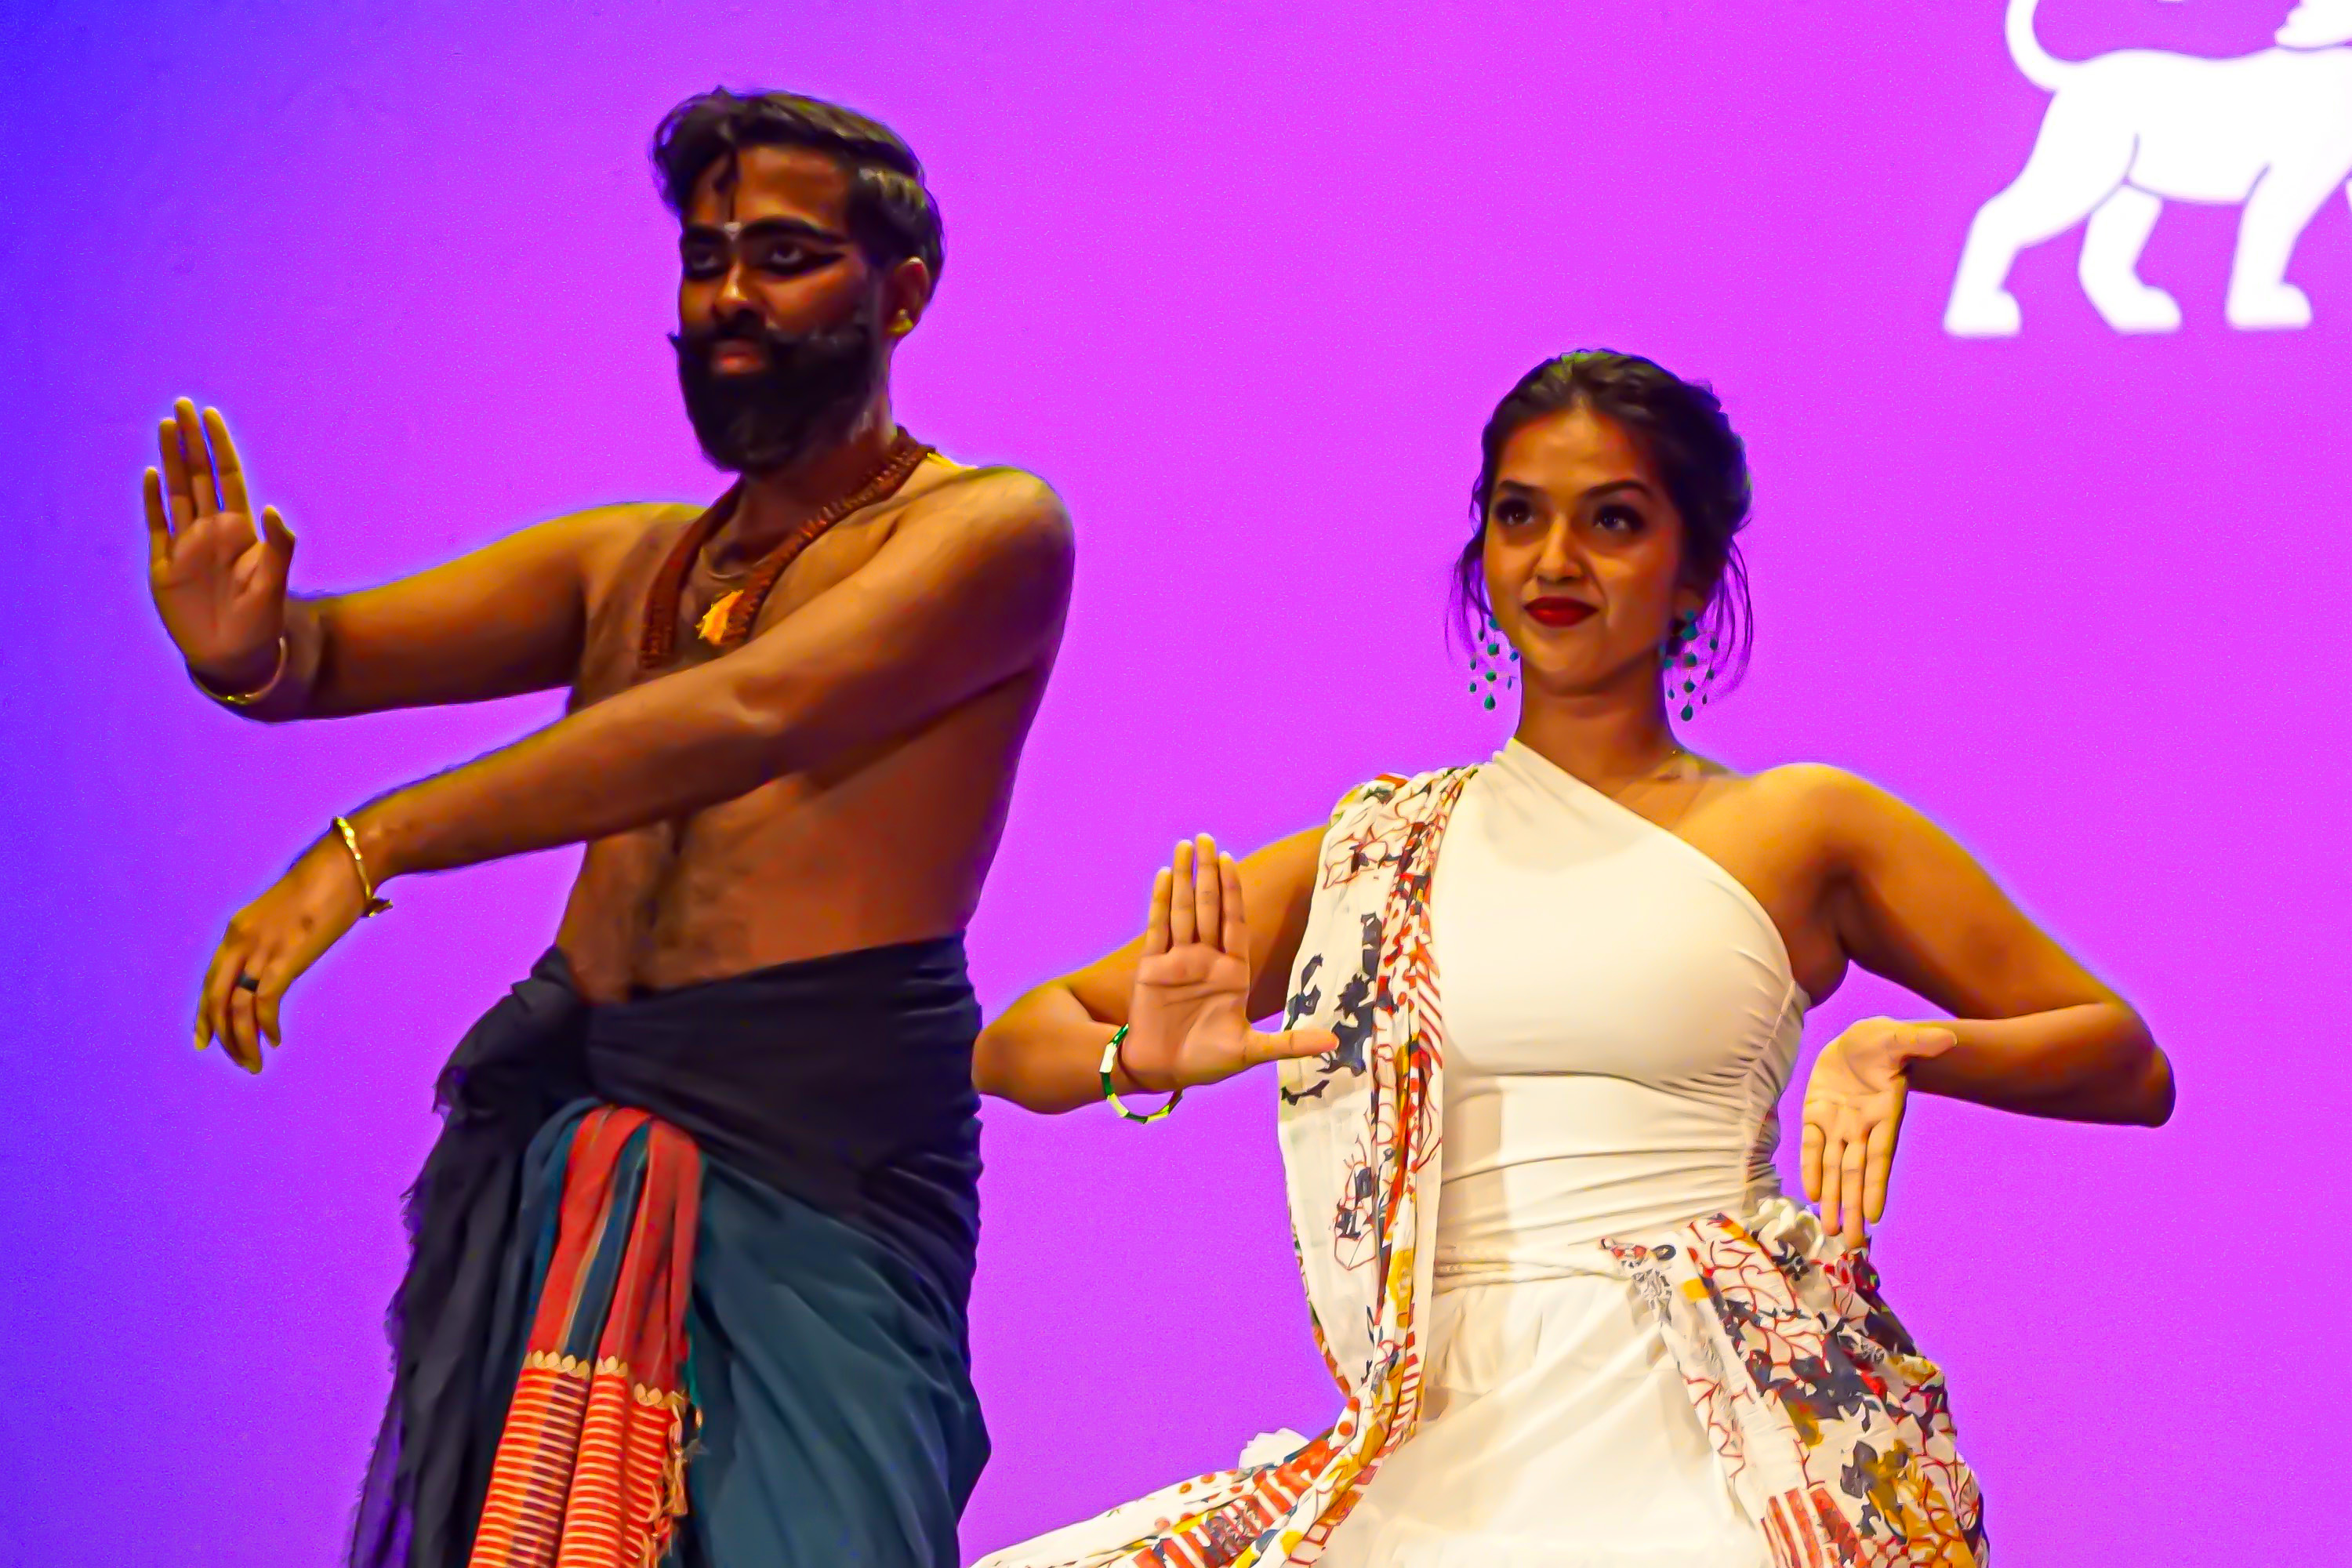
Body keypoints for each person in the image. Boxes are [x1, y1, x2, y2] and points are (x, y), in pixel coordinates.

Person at [970, 351, 2172, 1567]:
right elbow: (1016, 1041)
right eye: (1519, 516)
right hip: (1440, 1431)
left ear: (1695, 571)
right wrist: (1138, 1056)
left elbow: (2127, 1061)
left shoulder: (1804, 826)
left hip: (1714, 1420)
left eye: (1614, 521)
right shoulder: (1380, 849)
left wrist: (1910, 1043)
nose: (1556, 560)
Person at [143, 89, 1073, 1567]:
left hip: (816, 1157)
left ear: (902, 292)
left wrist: (367, 848)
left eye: (781, 256)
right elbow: (318, 661)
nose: (728, 300)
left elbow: (744, 719)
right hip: (584, 1121)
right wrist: (240, 649)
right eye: (705, 261)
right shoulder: (625, 561)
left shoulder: (990, 532)